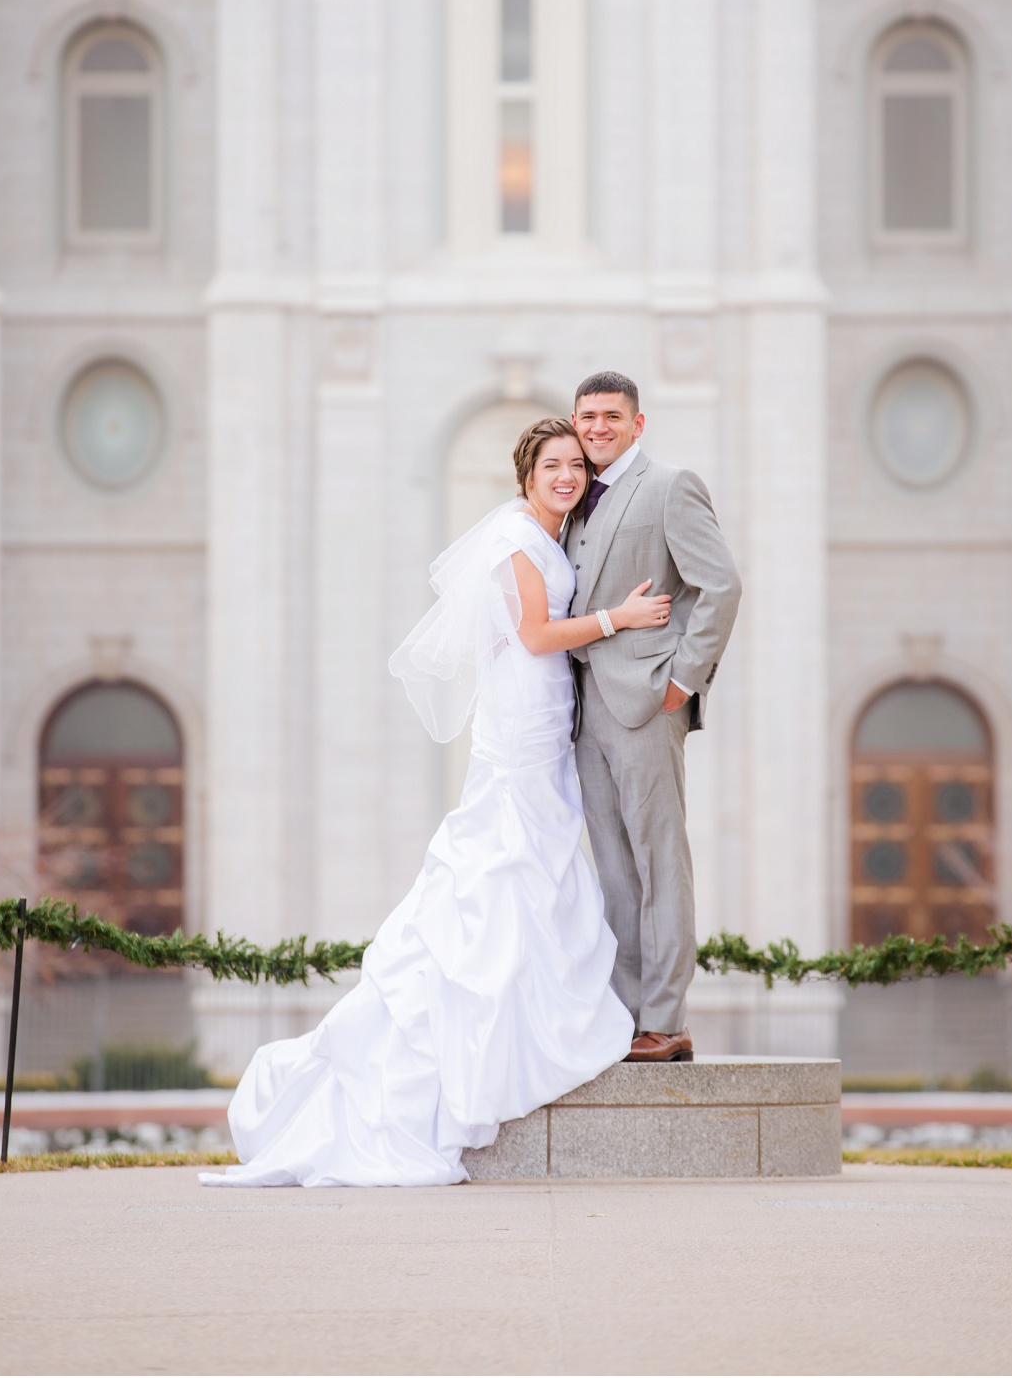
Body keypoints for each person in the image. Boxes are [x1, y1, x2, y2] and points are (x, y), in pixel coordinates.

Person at [199, 417, 671, 1188]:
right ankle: (490, 1029)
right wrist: (622, 618)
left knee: (539, 859)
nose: (566, 476)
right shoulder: (518, 538)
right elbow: (535, 633)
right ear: (526, 475)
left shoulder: (554, 538)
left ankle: (529, 1013)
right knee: (505, 859)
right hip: (522, 718)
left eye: (575, 467)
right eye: (552, 465)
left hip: (549, 717)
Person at [567, 371, 742, 1063]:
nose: (599, 427)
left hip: (645, 700)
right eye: (588, 417)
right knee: (612, 869)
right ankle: (626, 1019)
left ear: (637, 424)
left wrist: (682, 679)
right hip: (582, 710)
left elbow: (719, 584)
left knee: (659, 861)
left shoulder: (670, 486)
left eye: (612, 416)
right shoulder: (576, 497)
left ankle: (665, 1020)